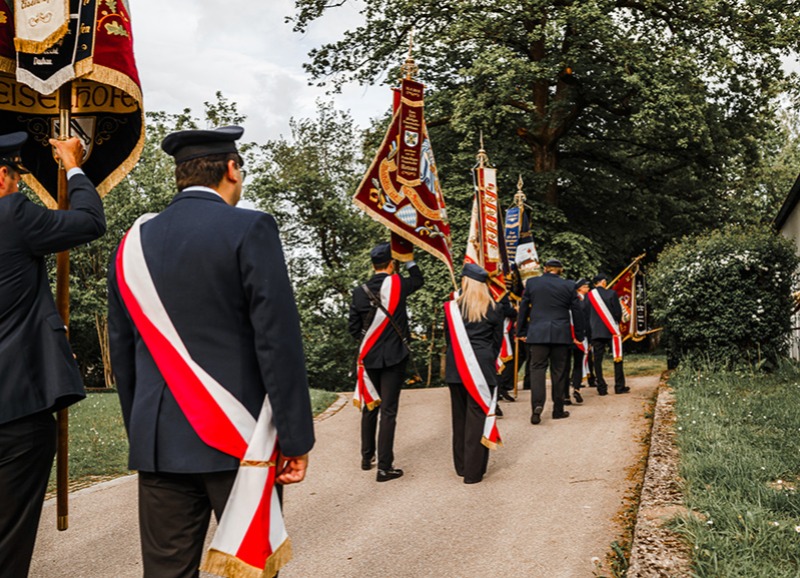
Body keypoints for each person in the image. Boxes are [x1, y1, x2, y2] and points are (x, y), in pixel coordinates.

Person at [107, 126, 315, 578]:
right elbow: (277, 340)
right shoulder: (252, 227)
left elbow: (121, 354)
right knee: (251, 567)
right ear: (232, 169)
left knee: (166, 571)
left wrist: (142, 429)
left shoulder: (131, 245)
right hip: (239, 438)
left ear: (180, 176)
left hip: (159, 440)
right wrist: (296, 438)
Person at [0, 133, 106, 578]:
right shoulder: (10, 215)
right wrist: (73, 166)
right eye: (14, 175)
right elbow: (87, 222)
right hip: (16, 407)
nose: (19, 185)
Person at [348, 242, 423, 482]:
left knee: (370, 405)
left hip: (369, 356)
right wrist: (409, 259)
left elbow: (352, 329)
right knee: (388, 411)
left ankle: (366, 457)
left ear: (373, 265)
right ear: (392, 264)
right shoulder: (398, 284)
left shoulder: (360, 291)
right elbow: (418, 279)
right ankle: (384, 467)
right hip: (394, 356)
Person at [444, 264, 503, 484]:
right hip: (483, 367)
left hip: (456, 367)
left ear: (465, 282)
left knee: (459, 419)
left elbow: (448, 339)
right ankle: (473, 471)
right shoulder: (495, 308)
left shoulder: (451, 308)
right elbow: (497, 342)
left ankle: (461, 466)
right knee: (478, 418)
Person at [516, 258, 585, 423]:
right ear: (560, 270)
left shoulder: (532, 283)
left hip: (538, 333)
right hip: (560, 334)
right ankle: (558, 409)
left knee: (537, 370)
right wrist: (579, 334)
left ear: (545, 269)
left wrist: (521, 331)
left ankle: (537, 406)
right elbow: (577, 311)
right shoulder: (569, 285)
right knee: (559, 371)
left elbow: (524, 308)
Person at [588, 273, 629, 395]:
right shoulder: (611, 294)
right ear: (603, 282)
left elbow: (585, 315)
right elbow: (617, 313)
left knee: (597, 361)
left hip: (595, 331)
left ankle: (601, 387)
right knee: (617, 357)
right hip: (611, 331)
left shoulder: (589, 296)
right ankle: (619, 386)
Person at [568, 278, 593, 404]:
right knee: (578, 364)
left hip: (568, 336)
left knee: (566, 364)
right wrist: (589, 339)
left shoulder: (566, 300)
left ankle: (565, 394)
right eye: (586, 287)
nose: (588, 289)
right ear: (579, 288)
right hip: (580, 336)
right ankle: (576, 388)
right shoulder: (582, 302)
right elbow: (586, 322)